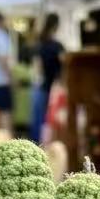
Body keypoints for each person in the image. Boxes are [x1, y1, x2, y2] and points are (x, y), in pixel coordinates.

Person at [31, 13, 65, 143]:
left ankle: (37, 144)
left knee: (38, 119)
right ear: (56, 26)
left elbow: (36, 66)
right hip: (53, 86)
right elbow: (64, 67)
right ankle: (47, 145)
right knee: (50, 119)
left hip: (40, 85)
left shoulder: (39, 43)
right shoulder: (57, 46)